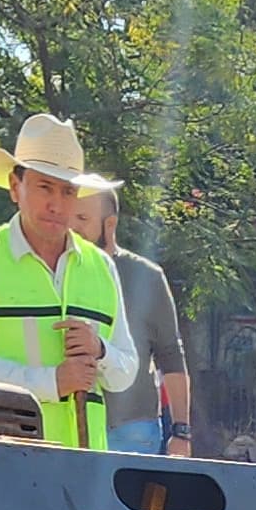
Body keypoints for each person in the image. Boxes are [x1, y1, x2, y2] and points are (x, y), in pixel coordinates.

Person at [0, 111, 143, 449]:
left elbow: (125, 372)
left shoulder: (101, 266)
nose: (56, 204)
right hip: (4, 461)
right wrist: (50, 382)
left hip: (86, 467)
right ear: (15, 187)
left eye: (67, 191)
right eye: (45, 187)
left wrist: (100, 349)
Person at [78, 186, 195, 456]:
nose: (73, 227)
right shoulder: (56, 270)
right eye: (71, 218)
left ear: (110, 224)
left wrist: (181, 433)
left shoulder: (147, 277)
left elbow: (171, 356)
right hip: (70, 425)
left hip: (132, 431)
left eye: (83, 219)